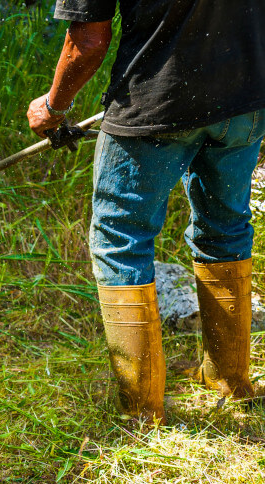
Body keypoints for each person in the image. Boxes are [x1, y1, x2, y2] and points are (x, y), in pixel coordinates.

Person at [27, 1, 265, 423]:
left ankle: (141, 410)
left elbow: (88, 41)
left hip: (157, 102)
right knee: (225, 227)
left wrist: (54, 107)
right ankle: (231, 379)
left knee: (120, 240)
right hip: (246, 98)